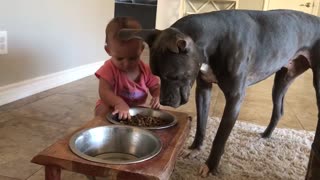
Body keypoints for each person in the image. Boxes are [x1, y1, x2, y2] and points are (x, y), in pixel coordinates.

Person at [95, 17, 160, 120]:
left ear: (141, 49)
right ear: (108, 51)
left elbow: (155, 87)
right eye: (120, 58)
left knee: (149, 116)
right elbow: (104, 91)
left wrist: (157, 96)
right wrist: (118, 103)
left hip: (136, 109)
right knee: (102, 110)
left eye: (133, 58)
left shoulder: (146, 70)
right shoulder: (109, 68)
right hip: (112, 105)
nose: (126, 64)